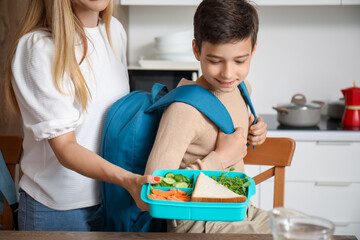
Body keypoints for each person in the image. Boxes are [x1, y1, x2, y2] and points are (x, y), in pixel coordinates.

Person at [4, 0, 162, 231]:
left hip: (111, 200)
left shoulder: (114, 31)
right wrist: (128, 180)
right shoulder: (39, 47)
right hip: (58, 211)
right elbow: (66, 146)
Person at [145, 0, 270, 233]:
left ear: (253, 50)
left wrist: (256, 131)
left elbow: (235, 131)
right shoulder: (184, 111)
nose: (228, 73)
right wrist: (220, 158)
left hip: (236, 206)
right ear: (196, 50)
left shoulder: (242, 90)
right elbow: (155, 188)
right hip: (197, 219)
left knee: (293, 229)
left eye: (240, 61)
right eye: (215, 61)